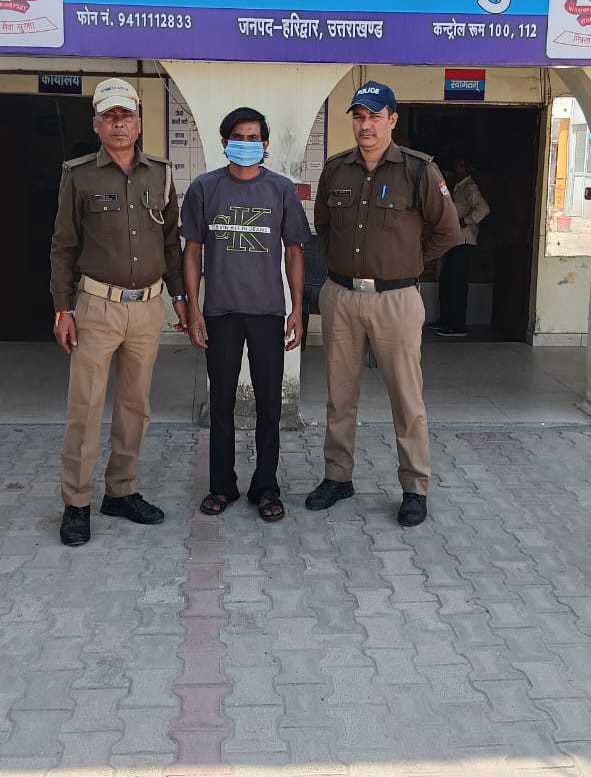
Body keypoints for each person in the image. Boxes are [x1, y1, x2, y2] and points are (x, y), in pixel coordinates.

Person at [305, 81, 461, 527]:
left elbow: (448, 232)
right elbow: (324, 227)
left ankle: (414, 487)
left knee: (406, 399)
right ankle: (338, 476)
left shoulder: (419, 170)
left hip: (396, 299)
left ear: (392, 119)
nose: (366, 125)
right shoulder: (336, 169)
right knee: (339, 395)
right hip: (341, 297)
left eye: (375, 116)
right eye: (359, 116)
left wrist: (408, 263)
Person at [50, 78, 187, 547]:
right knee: (85, 407)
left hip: (147, 309)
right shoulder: (79, 175)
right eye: (109, 116)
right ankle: (76, 502)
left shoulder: (160, 175)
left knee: (135, 406)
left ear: (139, 121)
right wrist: (62, 309)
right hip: (96, 307)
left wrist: (180, 298)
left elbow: (171, 243)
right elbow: (63, 246)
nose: (118, 123)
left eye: (125, 115)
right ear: (96, 124)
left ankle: (121, 491)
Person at [181, 107, 311, 521]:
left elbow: (294, 252)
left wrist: (297, 309)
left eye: (254, 137)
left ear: (266, 144)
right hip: (220, 312)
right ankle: (221, 485)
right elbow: (192, 252)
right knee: (221, 405)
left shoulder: (281, 190)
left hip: (267, 312)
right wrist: (194, 308)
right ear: (224, 143)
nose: (246, 144)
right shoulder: (204, 188)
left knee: (269, 405)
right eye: (238, 137)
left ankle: (265, 486)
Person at [430, 157, 490, 338]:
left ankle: (457, 326)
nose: (458, 170)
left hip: (463, 241)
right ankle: (446, 321)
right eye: (455, 166)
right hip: (453, 241)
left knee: (456, 284)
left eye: (461, 167)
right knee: (447, 281)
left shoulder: (469, 187)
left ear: (468, 168)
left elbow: (484, 209)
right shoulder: (457, 187)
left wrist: (466, 221)